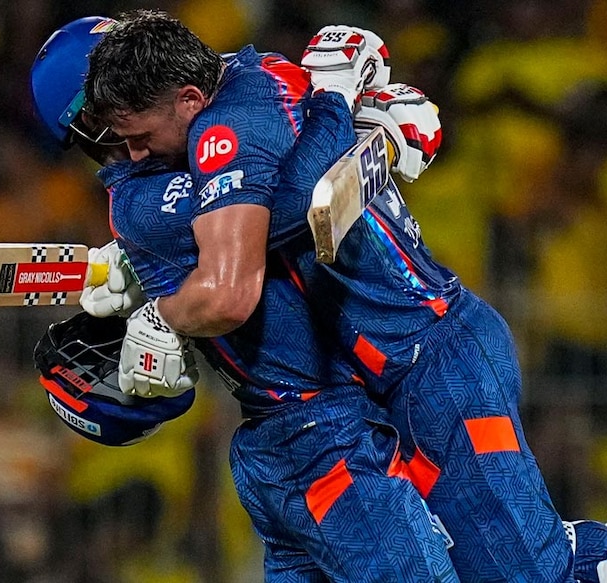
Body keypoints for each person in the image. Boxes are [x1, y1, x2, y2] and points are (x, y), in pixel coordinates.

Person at [79, 9, 607, 583]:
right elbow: (284, 206)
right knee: (516, 553)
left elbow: (254, 256)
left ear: (186, 98)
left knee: (521, 565)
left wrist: (159, 299)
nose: (130, 155)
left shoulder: (232, 126)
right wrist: (357, 121)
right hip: (383, 375)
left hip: (432, 355)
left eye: (135, 135)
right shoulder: (256, 89)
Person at [31, 16, 457, 582]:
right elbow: (272, 208)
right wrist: (366, 132)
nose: (128, 149)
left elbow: (258, 204)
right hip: (313, 423)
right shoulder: (148, 186)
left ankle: (588, 557)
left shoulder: (231, 108)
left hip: (346, 404)